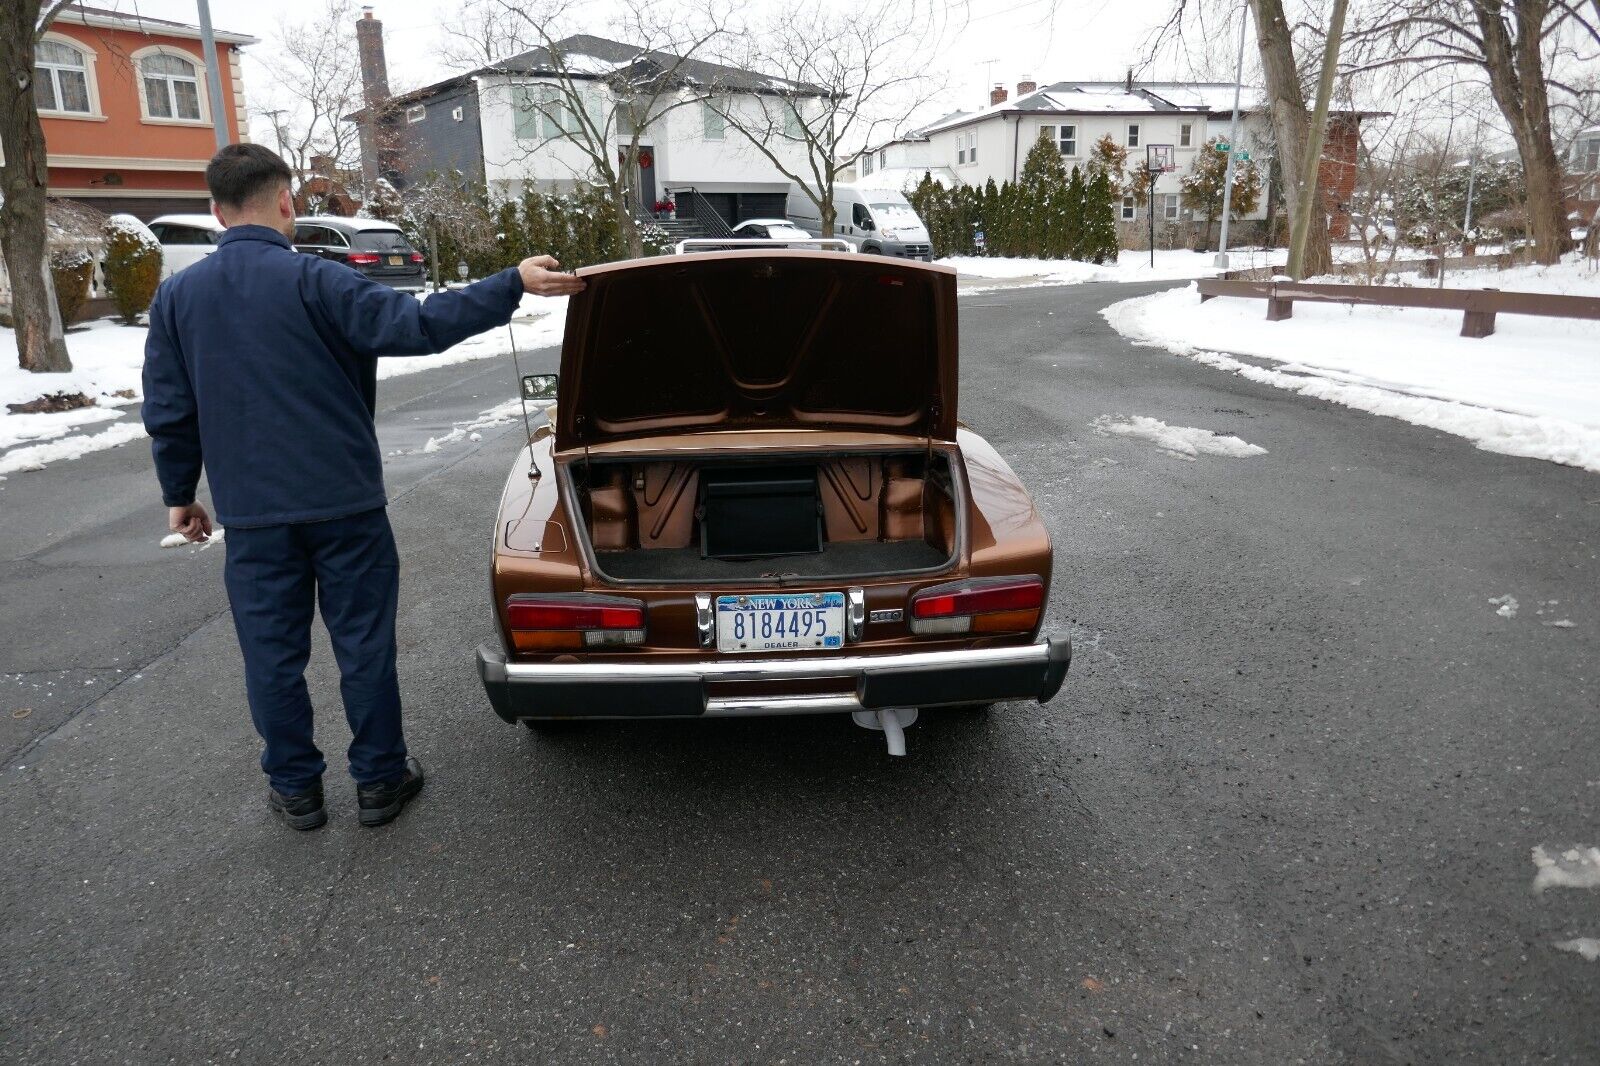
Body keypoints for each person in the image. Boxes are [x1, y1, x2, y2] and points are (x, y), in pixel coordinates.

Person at [142, 143, 583, 831]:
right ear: (285, 201)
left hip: (254, 518)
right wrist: (511, 283)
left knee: (271, 656)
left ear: (215, 211)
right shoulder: (319, 282)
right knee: (363, 645)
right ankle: (380, 779)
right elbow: (421, 325)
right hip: (345, 504)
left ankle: (296, 791)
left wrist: (180, 494)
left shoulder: (177, 297)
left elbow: (169, 410)